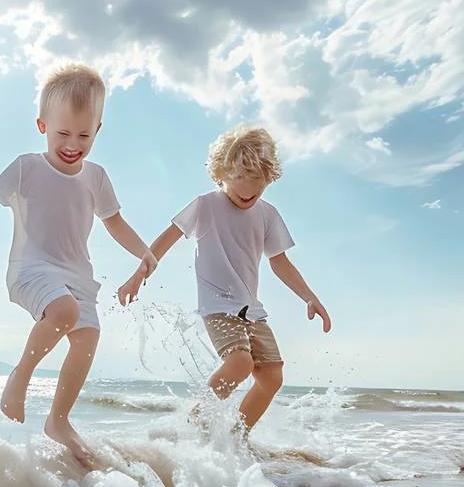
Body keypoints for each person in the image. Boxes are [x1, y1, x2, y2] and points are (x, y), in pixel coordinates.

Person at [0, 63, 157, 466]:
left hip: (77, 275)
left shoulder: (96, 177)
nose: (73, 144)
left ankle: (58, 420)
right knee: (64, 312)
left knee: (87, 337)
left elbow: (115, 222)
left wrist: (144, 252)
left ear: (98, 130)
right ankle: (20, 375)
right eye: (63, 133)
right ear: (42, 126)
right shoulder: (27, 167)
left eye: (84, 135)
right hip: (31, 269)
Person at [116, 124, 330, 429]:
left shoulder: (267, 214)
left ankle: (235, 438)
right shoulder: (205, 205)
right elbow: (164, 241)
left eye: (257, 182)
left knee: (272, 376)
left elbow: (280, 262)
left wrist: (310, 297)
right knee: (240, 362)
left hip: (250, 309)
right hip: (217, 305)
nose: (248, 190)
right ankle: (194, 423)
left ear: (269, 177)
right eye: (239, 178)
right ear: (221, 173)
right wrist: (138, 276)